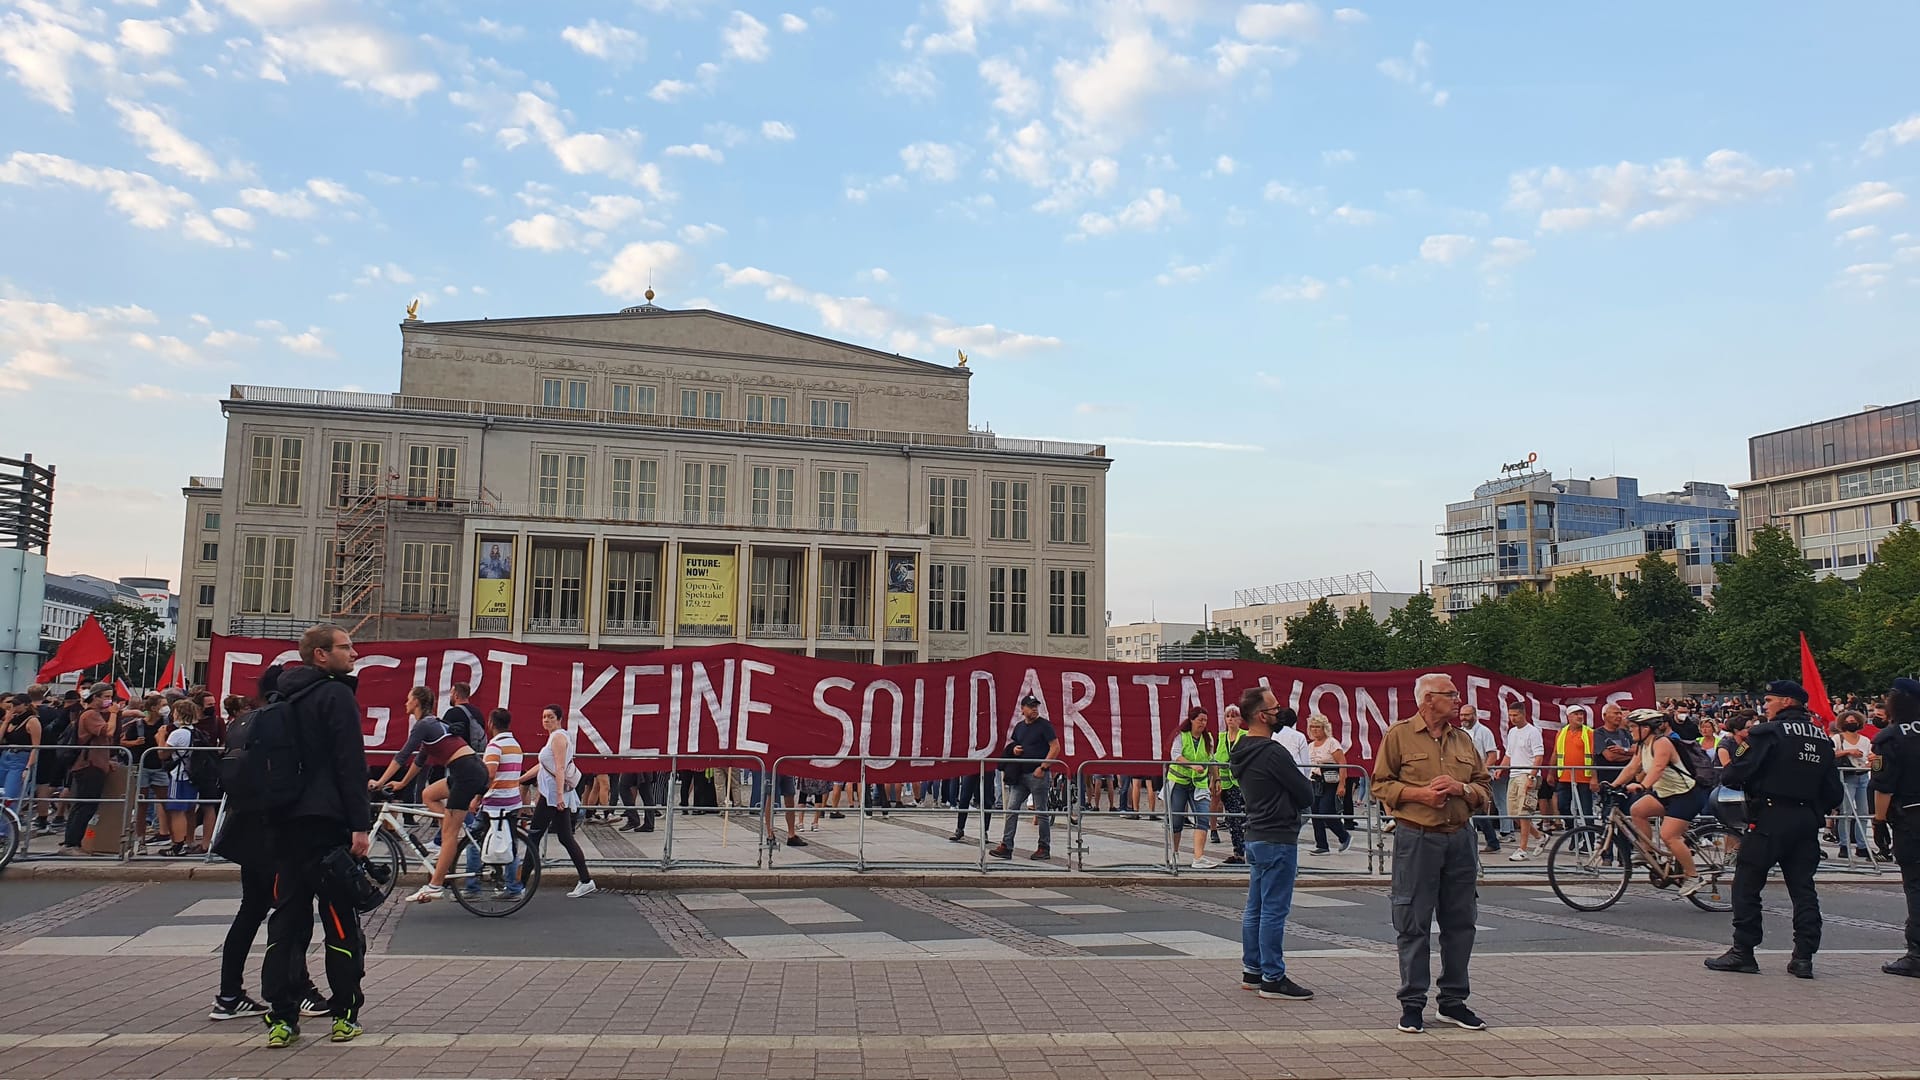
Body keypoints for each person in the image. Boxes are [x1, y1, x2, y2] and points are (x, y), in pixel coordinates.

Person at [261, 623, 371, 1048]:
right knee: (340, 922)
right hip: (327, 826)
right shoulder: (336, 694)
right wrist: (359, 825)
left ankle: (282, 1017)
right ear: (321, 656)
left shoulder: (281, 695)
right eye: (346, 647)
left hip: (284, 825)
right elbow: (350, 763)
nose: (355, 653)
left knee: (286, 923)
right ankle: (345, 1013)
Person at [1372, 672, 1492, 1035]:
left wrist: (1463, 789)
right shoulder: (1399, 735)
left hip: (1460, 838)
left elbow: (1484, 787)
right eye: (1451, 694)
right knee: (1413, 922)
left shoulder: (1464, 740)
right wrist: (1418, 795)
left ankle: (1453, 1002)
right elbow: (1380, 783)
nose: (1458, 700)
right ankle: (1412, 1004)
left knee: (1460, 922)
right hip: (1417, 838)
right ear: (1427, 700)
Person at [208, 664, 326, 1024]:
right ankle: (297, 989)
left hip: (247, 830)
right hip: (275, 833)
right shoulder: (282, 722)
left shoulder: (246, 722)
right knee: (294, 913)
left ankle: (229, 995)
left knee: (251, 911)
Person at [1706, 680, 1844, 979]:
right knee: (1803, 889)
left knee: (1746, 883)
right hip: (1806, 820)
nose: (1764, 705)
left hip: (1769, 817)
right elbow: (1834, 793)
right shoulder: (1821, 739)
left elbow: (1733, 774)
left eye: (1769, 699)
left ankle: (1743, 951)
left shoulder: (1766, 734)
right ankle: (1804, 957)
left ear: (1785, 701)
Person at [371, 686, 492, 904]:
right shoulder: (431, 725)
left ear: (416, 702)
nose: (405, 703)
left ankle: (435, 885)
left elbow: (402, 755)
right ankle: (454, 826)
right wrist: (401, 784)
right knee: (428, 794)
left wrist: (379, 782)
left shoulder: (424, 724)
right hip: (462, 770)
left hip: (466, 772)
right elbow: (419, 761)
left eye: (408, 699)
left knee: (448, 835)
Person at [1230, 685, 1314, 1001]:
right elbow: (1305, 793)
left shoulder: (1240, 749)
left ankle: (1251, 971)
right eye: (1275, 708)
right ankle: (1273, 977)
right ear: (1262, 715)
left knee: (1256, 906)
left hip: (1255, 833)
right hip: (1279, 834)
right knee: (1273, 910)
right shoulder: (1274, 752)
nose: (1280, 712)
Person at [1607, 709, 1706, 897]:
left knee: (1669, 835)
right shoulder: (1642, 745)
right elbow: (1631, 768)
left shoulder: (1662, 743)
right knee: (1638, 810)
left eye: (1634, 727)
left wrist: (1643, 786)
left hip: (1686, 794)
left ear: (1647, 728)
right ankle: (1648, 854)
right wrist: (1613, 785)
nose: (1630, 731)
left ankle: (1693, 876)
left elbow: (1659, 768)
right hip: (1665, 793)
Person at [519, 704, 597, 898]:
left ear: (559, 719)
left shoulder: (559, 737)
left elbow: (560, 768)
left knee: (534, 837)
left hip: (553, 796)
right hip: (553, 795)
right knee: (565, 837)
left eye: (550, 717)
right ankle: (586, 880)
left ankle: (519, 885)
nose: (546, 720)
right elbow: (543, 766)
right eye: (544, 717)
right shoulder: (554, 738)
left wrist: (560, 797)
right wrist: (519, 781)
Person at [1871, 678, 1920, 978]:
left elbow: (1884, 785)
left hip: (1911, 817)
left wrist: (1879, 821)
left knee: (1915, 884)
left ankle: (1916, 953)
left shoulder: (1890, 737)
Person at [989, 695, 1059, 862]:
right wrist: (1014, 750)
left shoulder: (1044, 726)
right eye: (1030, 706)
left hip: (1037, 775)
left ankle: (1044, 847)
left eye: (1036, 706)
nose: (1034, 708)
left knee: (1041, 812)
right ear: (1022, 709)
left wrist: (1043, 767)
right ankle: (1006, 845)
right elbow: (1013, 744)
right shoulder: (1020, 727)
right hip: (1020, 776)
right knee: (1011, 810)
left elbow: (1055, 747)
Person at [59, 683, 121, 857]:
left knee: (84, 805)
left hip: (95, 764)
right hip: (88, 765)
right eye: (106, 697)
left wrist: (106, 759)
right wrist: (114, 714)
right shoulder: (91, 714)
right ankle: (72, 843)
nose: (110, 701)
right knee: (85, 805)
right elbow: (108, 731)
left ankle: (72, 842)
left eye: (111, 697)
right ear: (95, 697)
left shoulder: (94, 714)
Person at [1166, 707, 1220, 870]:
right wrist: (1191, 765)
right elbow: (1175, 755)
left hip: (1199, 783)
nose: (1203, 723)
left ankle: (1199, 857)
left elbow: (1211, 759)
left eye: (1205, 720)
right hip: (1179, 781)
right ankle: (1174, 853)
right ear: (1192, 720)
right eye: (1200, 720)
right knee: (1176, 820)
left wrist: (1216, 778)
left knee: (1203, 817)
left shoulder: (1208, 738)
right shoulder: (1181, 736)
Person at [1495, 703, 1544, 861]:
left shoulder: (1533, 732)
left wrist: (1532, 776)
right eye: (1510, 715)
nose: (1512, 718)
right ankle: (1539, 836)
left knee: (1524, 813)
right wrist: (1501, 768)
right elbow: (1509, 754)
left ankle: (1522, 849)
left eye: (1515, 715)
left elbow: (1538, 756)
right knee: (1513, 813)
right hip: (1514, 774)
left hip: (1526, 773)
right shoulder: (1512, 732)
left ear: (1523, 714)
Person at [1304, 714, 1351, 855]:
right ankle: (1322, 845)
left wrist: (1342, 784)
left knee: (1325, 811)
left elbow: (1342, 764)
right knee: (1315, 813)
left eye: (1317, 727)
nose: (1314, 730)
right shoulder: (1310, 745)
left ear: (1324, 728)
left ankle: (1343, 835)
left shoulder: (1332, 743)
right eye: (1312, 727)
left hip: (1330, 782)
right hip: (1314, 781)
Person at [1458, 705, 1500, 854]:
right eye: (1462, 715)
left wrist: (1483, 772)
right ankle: (1476, 841)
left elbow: (1492, 755)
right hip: (1465, 777)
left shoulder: (1484, 732)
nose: (1464, 718)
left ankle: (1492, 841)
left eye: (1467, 715)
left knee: (1478, 810)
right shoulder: (1460, 732)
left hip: (1480, 777)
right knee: (1468, 810)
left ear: (1475, 715)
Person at [1833, 711, 1874, 860]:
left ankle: (1861, 845)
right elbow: (1831, 753)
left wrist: (1871, 762)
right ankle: (1844, 844)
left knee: (1863, 812)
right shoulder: (1838, 738)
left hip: (1863, 776)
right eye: (1849, 721)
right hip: (1847, 777)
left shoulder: (1865, 740)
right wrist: (1849, 751)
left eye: (1854, 720)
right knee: (1846, 812)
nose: (1852, 723)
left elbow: (1871, 757)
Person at [1215, 705, 1249, 865]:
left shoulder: (1245, 736)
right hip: (1226, 785)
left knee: (1243, 819)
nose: (1230, 719)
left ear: (1240, 720)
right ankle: (1238, 852)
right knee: (1232, 819)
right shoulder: (1222, 737)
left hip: (1242, 783)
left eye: (1234, 716)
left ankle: (1245, 851)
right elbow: (1217, 758)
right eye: (1228, 716)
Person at [1554, 706, 1595, 828]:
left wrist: (1594, 777)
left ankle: (1589, 841)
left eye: (1581, 714)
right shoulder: (1561, 733)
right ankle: (1573, 832)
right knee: (1562, 806)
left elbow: (1594, 756)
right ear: (1569, 716)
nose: (1580, 717)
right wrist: (1551, 773)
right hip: (1565, 777)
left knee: (1586, 810)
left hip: (1584, 778)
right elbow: (1555, 753)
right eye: (1576, 714)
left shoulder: (1589, 733)